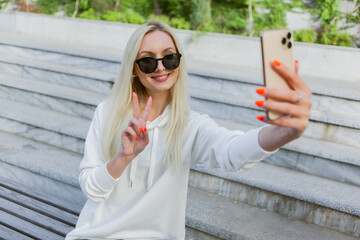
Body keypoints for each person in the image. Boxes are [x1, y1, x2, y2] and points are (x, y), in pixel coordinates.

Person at [66, 19, 312, 240]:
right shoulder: (106, 113)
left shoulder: (191, 125)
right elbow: (91, 189)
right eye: (148, 60)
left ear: (179, 62)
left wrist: (284, 132)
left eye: (169, 57)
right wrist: (123, 158)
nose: (161, 67)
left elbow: (231, 152)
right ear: (134, 68)